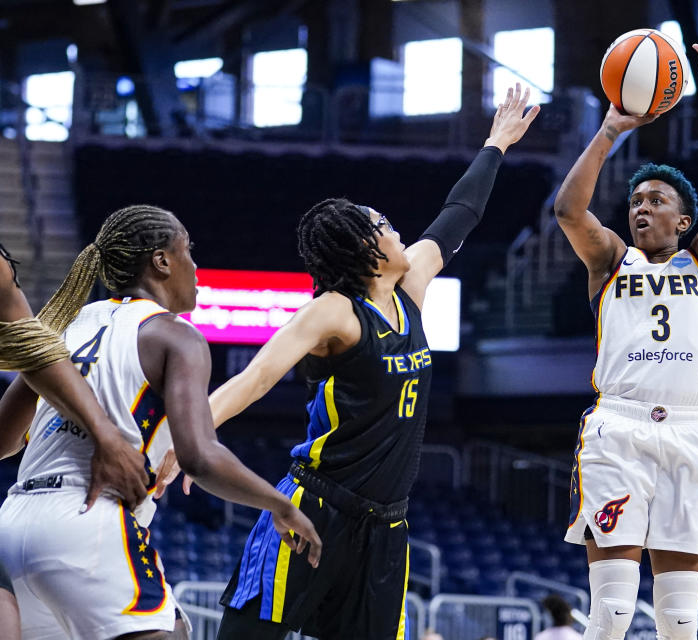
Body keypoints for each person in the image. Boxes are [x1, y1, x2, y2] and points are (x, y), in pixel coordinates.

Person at [152, 84, 538, 640]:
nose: (397, 228)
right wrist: (181, 439)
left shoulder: (413, 286)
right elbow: (255, 379)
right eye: (383, 224)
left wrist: (496, 143)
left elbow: (460, 213)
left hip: (386, 528)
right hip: (315, 505)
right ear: (363, 249)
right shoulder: (333, 312)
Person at [0, 207, 321, 640]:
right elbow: (201, 457)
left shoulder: (65, 324)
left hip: (14, 523)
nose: (194, 263)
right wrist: (281, 506)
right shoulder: (175, 334)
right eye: (188, 249)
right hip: (87, 519)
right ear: (161, 261)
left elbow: (3, 440)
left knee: (173, 625)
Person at [554, 20, 698, 640]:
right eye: (636, 199)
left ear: (684, 219)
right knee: (610, 616)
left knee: (679, 621)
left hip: (691, 430)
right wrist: (610, 128)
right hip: (620, 429)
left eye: (657, 199)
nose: (642, 206)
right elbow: (567, 210)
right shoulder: (610, 260)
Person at [1, 240, 155, 640]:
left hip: (18, 515)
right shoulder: (163, 332)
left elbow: (31, 348)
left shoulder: (70, 323)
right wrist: (108, 437)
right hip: (81, 514)